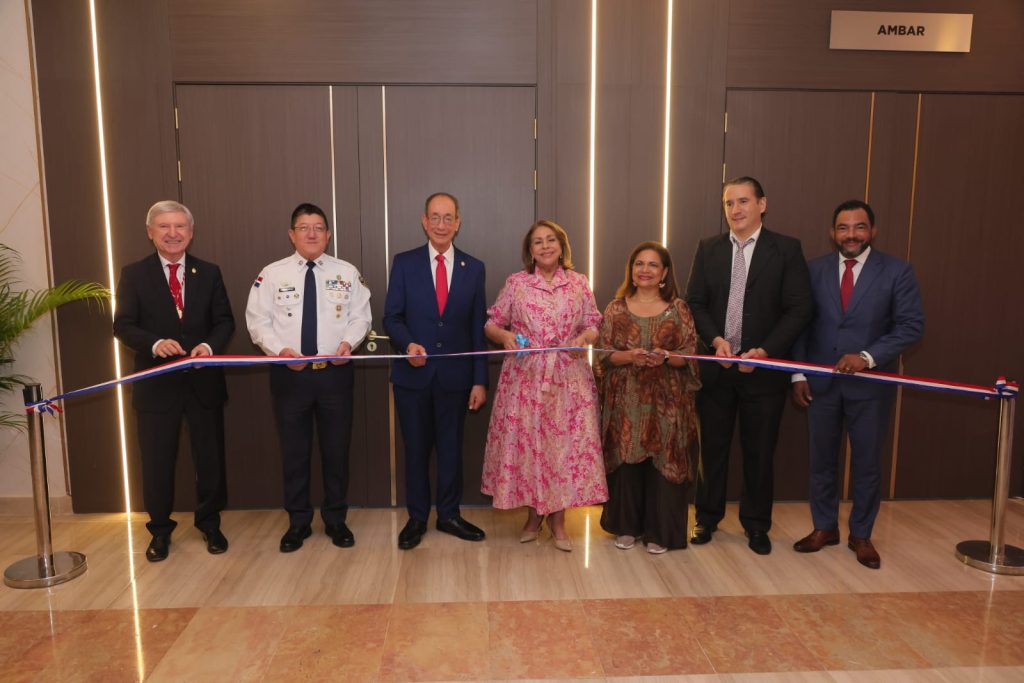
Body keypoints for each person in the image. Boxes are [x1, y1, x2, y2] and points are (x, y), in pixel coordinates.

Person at [791, 199, 924, 569]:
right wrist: (799, 373)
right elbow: (800, 324)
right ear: (833, 233)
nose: (851, 235)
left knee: (866, 463)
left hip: (871, 387)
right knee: (821, 461)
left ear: (873, 231)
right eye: (844, 228)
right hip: (820, 384)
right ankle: (824, 528)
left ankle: (861, 535)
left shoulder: (897, 271)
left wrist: (867, 357)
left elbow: (911, 326)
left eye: (859, 227)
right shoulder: (813, 270)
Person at [685, 176, 813, 555]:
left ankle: (757, 526)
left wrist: (766, 350)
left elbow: (800, 308)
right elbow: (695, 303)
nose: (735, 209)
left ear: (762, 204)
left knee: (759, 452)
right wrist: (716, 341)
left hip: (762, 372)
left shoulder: (786, 249)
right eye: (729, 203)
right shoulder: (708, 249)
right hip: (718, 368)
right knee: (712, 450)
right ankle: (706, 519)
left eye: (743, 201)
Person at [113, 200, 235, 562]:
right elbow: (123, 325)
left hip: (203, 384)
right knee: (156, 463)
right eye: (164, 227)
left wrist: (206, 345)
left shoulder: (209, 273)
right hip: (156, 388)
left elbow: (225, 320)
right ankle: (160, 531)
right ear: (150, 232)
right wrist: (153, 343)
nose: (173, 233)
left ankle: (210, 525)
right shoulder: (134, 274)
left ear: (191, 233)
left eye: (180, 226)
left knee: (210, 460)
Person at [245, 202, 371, 553]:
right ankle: (298, 522)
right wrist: (279, 352)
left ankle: (336, 519)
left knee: (336, 451)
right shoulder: (272, 274)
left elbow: (361, 316)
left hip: (334, 375)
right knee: (295, 452)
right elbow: (257, 321)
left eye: (318, 227)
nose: (312, 233)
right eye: (304, 227)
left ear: (328, 234)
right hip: (291, 377)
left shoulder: (346, 272)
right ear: (292, 234)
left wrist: (350, 342)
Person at [481, 219, 607, 551]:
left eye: (551, 240)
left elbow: (594, 322)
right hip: (525, 379)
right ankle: (533, 517)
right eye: (538, 242)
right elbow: (492, 323)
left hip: (568, 379)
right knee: (529, 447)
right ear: (530, 250)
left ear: (562, 246)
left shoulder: (579, 283)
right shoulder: (517, 283)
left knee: (562, 449)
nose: (545, 246)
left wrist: (584, 338)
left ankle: (559, 521)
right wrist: (506, 335)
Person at [382, 192, 488, 550]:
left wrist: (479, 379)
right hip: (413, 377)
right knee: (415, 451)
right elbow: (391, 317)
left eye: (449, 218)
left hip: (456, 380)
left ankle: (449, 515)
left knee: (451, 449)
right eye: (435, 217)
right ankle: (416, 518)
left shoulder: (474, 268)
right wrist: (407, 343)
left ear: (458, 223)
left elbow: (477, 328)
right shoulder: (404, 263)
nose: (442, 224)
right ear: (424, 221)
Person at [594, 242, 701, 553]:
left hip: (667, 404)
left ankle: (660, 532)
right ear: (631, 270)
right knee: (626, 462)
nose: (645, 270)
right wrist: (629, 357)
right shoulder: (615, 308)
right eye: (639, 263)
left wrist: (667, 357)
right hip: (625, 400)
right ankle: (627, 527)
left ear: (664, 272)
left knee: (663, 464)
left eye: (653, 265)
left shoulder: (679, 309)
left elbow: (690, 357)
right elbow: (603, 357)